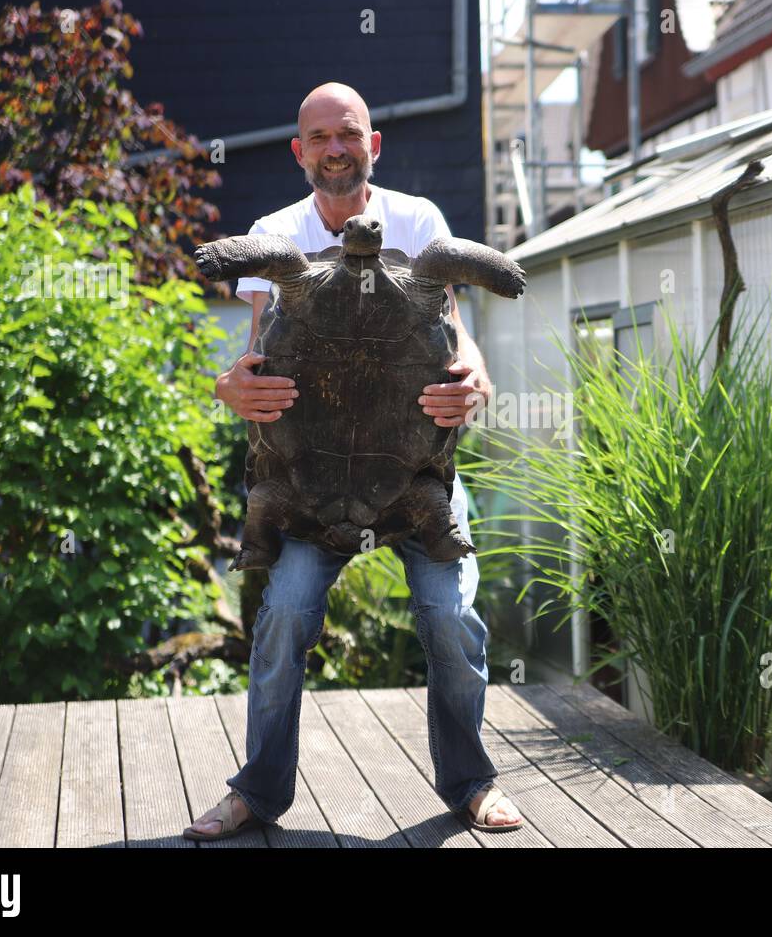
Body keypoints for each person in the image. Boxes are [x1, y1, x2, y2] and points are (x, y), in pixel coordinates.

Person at [183, 82, 523, 839]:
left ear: (374, 146)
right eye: (319, 137)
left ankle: (470, 781)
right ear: (299, 151)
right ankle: (258, 791)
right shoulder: (278, 235)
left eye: (349, 134)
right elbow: (257, 354)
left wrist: (477, 375)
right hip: (310, 485)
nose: (335, 148)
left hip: (414, 482)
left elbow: (456, 332)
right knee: (284, 617)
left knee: (450, 616)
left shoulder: (422, 223)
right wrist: (225, 384)